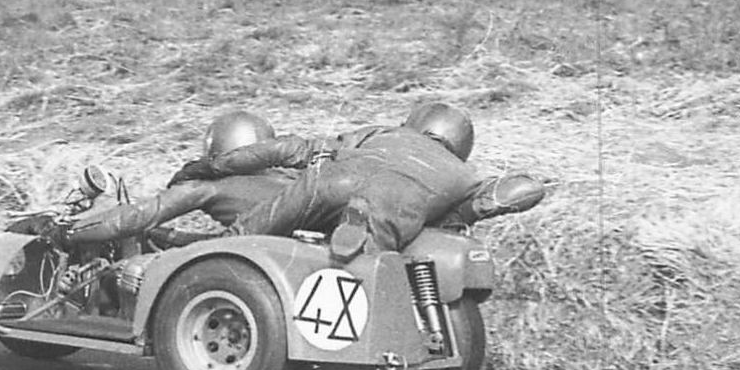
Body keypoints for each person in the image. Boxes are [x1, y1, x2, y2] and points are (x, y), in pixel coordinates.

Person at [168, 102, 546, 261]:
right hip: (394, 217)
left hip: (328, 191)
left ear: (413, 122)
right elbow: (515, 191)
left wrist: (209, 167)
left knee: (234, 242)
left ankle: (204, 251)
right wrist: (489, 198)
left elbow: (290, 149)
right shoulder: (463, 175)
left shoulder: (379, 135)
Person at [56, 112, 294, 247]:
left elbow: (135, 218)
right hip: (292, 257)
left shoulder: (210, 186)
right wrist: (165, 236)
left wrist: (68, 232)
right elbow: (226, 241)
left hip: (251, 264)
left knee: (134, 270)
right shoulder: (292, 180)